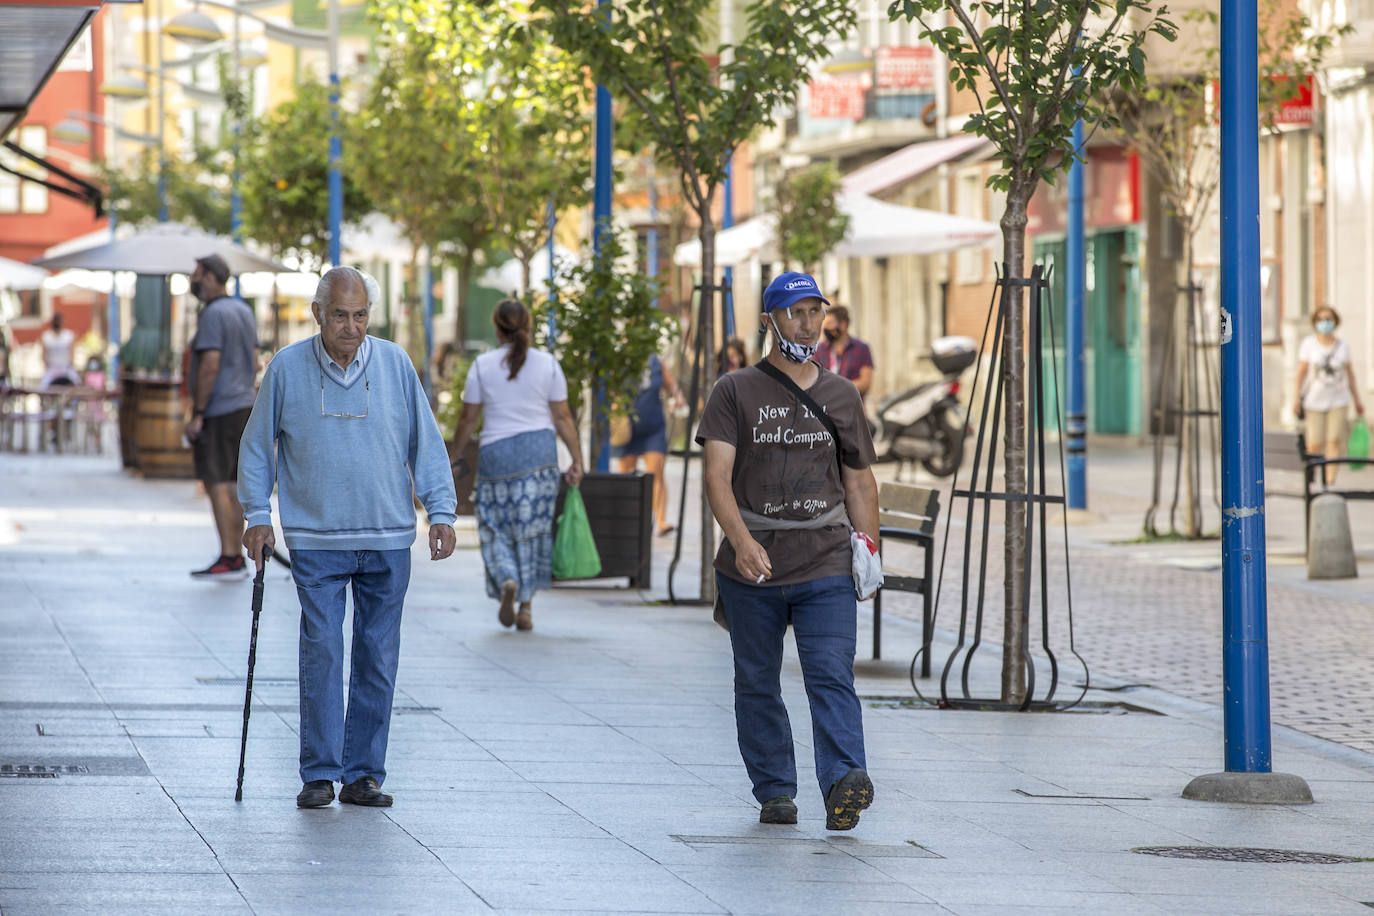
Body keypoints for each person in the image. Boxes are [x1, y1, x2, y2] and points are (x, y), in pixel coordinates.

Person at [239, 266, 457, 809]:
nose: (351, 326)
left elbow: (424, 441)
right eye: (340, 314)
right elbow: (258, 448)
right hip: (316, 536)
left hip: (387, 535)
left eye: (360, 315)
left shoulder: (396, 363)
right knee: (323, 653)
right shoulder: (287, 368)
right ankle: (318, 772)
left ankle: (363, 774)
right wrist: (255, 514)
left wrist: (442, 510)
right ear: (318, 313)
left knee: (378, 658)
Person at [696, 270, 880, 831]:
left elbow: (859, 481)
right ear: (770, 321)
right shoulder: (734, 391)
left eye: (814, 312)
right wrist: (741, 542)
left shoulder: (841, 394)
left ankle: (845, 778)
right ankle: (775, 789)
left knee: (829, 672)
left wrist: (869, 550)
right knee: (757, 678)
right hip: (753, 567)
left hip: (824, 558)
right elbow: (717, 478)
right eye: (795, 312)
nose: (807, 322)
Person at [448, 299, 584, 632]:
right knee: (532, 532)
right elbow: (562, 417)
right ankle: (525, 608)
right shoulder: (548, 364)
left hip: (498, 455)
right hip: (539, 455)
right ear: (529, 327)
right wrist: (577, 459)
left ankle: (507, 577)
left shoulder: (482, 365)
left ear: (497, 329)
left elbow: (468, 418)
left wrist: (454, 454)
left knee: (495, 527)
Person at [184, 254, 260, 579]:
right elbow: (255, 361)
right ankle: (236, 556)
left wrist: (198, 412)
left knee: (216, 482)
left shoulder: (213, 314)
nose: (194, 280)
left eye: (198, 275)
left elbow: (210, 364)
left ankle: (229, 556)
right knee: (232, 481)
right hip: (244, 405)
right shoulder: (243, 310)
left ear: (213, 278)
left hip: (219, 408)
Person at [614, 353, 686, 536]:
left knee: (656, 473)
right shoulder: (620, 361)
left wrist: (677, 397)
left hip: (654, 427)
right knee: (626, 476)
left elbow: (671, 386)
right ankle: (627, 518)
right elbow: (610, 390)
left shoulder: (656, 361)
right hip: (628, 429)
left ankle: (661, 521)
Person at [1293, 305, 1365, 485]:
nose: (1325, 323)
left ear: (1335, 321)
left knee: (1334, 441)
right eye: (1321, 319)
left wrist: (1357, 400)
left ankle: (1330, 480)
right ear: (1315, 322)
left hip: (1338, 400)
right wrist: (1296, 397)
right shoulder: (1309, 344)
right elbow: (1301, 373)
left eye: (1329, 319)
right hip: (1314, 401)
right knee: (1314, 444)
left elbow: (1350, 374)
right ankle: (1314, 476)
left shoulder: (1343, 346)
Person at [814, 305, 874, 399]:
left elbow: (865, 383)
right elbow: (813, 380)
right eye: (824, 324)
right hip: (825, 410)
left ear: (843, 325)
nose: (825, 328)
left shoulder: (862, 349)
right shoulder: (819, 350)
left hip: (853, 409)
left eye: (829, 323)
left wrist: (835, 389)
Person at [39, 313, 79, 388]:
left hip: (66, 368)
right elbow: (44, 355)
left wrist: (68, 366)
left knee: (77, 385)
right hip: (51, 368)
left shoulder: (69, 336)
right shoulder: (46, 337)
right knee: (43, 388)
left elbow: (72, 354)